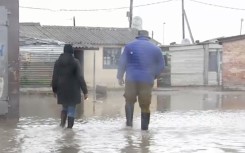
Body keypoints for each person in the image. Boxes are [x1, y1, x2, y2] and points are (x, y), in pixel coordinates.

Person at [117, 30, 165, 130]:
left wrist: (120, 77)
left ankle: (129, 127)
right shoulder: (156, 48)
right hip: (146, 80)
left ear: (137, 36)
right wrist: (154, 75)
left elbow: (122, 63)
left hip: (131, 79)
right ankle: (144, 131)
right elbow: (161, 66)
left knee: (129, 101)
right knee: (145, 105)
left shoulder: (129, 46)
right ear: (148, 37)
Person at [52, 44, 88, 129]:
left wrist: (54, 90)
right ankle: (69, 131)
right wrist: (85, 91)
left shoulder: (58, 62)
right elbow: (80, 77)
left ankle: (62, 126)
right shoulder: (75, 62)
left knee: (64, 107)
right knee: (71, 109)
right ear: (72, 52)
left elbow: (55, 77)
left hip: (61, 90)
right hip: (73, 90)